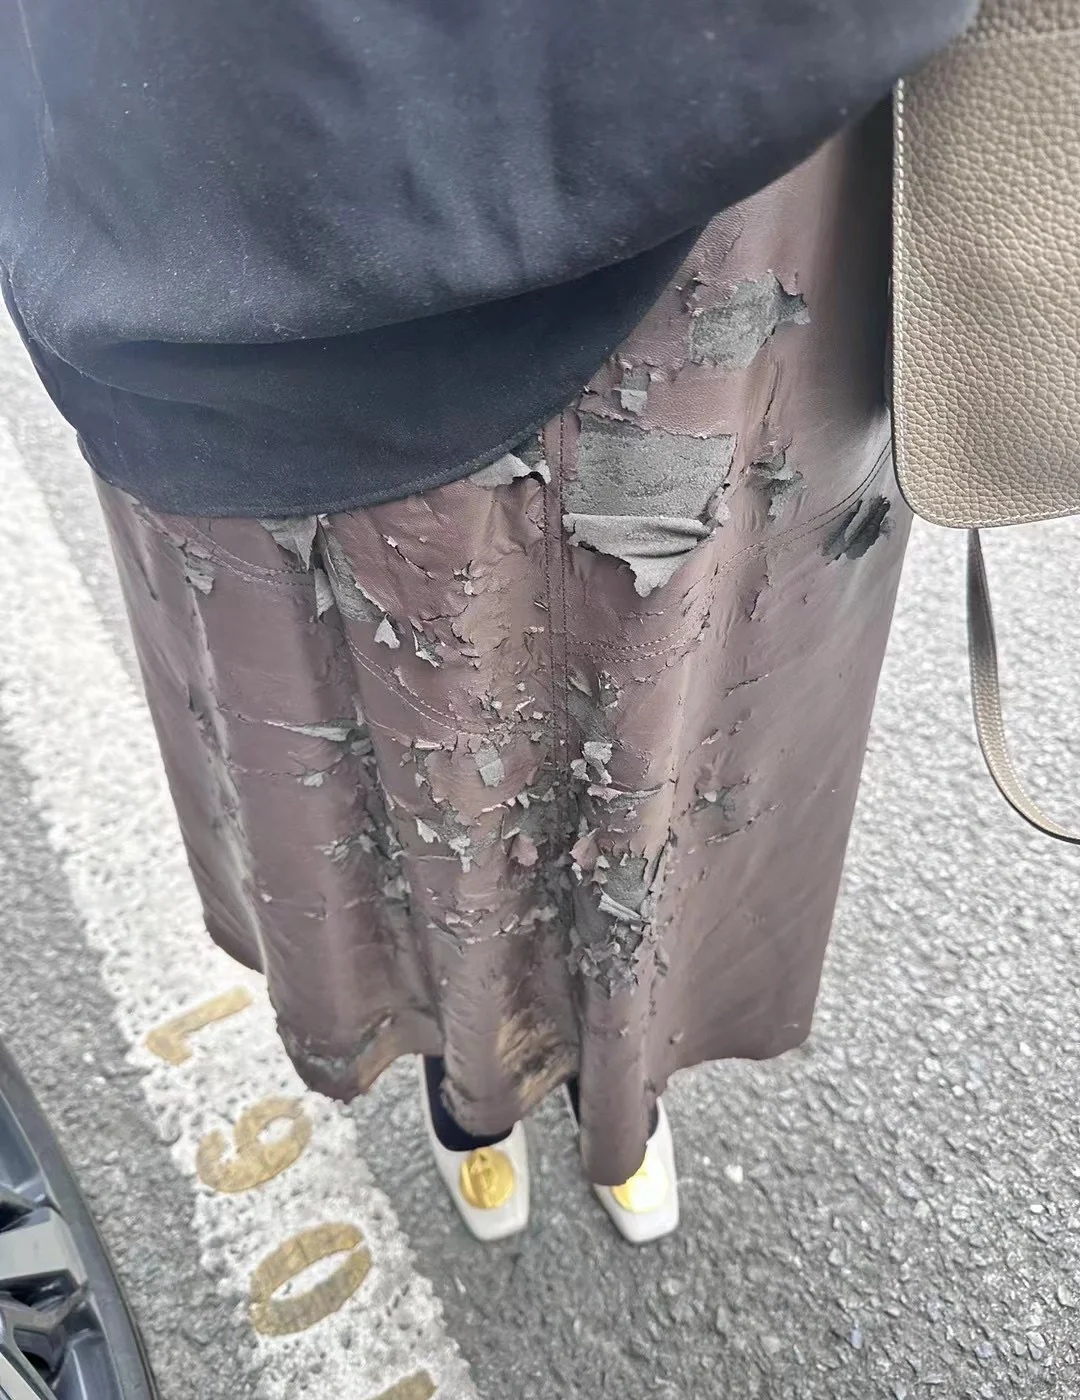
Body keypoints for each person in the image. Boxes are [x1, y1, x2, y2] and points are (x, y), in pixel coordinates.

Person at [0, 0, 977, 1244]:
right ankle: (467, 1081)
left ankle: (617, 1079)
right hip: (258, 173)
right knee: (399, 753)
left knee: (660, 704)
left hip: (720, 130)